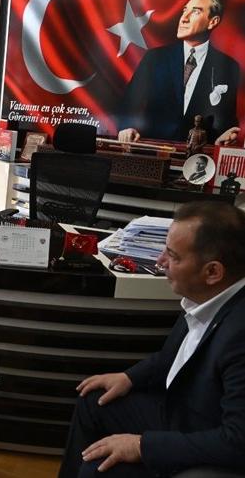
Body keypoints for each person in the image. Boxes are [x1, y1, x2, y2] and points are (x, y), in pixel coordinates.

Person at [58, 201, 245, 478]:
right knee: (94, 399)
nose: (160, 261)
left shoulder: (239, 334)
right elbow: (173, 358)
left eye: (173, 255)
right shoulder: (207, 297)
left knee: (98, 470)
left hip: (205, 442)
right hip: (180, 412)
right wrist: (129, 377)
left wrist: (142, 446)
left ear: (213, 272)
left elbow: (237, 442)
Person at [117, 0, 240, 145]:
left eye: (195, 12)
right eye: (184, 11)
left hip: (199, 154)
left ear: (212, 22)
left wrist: (224, 137)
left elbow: (226, 119)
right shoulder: (154, 58)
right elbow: (129, 102)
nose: (184, 18)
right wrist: (127, 127)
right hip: (153, 150)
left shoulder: (229, 67)